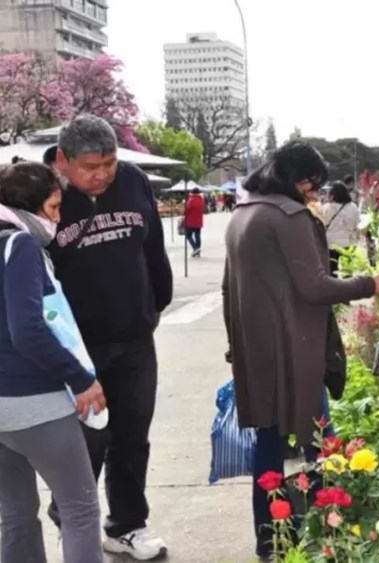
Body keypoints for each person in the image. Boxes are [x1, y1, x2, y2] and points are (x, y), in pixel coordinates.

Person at [222, 142, 379, 560]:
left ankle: (272, 541)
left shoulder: (243, 213)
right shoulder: (290, 216)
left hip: (258, 350)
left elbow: (229, 289)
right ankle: (328, 533)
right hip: (295, 350)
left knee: (269, 447)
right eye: (310, 184)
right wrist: (373, 283)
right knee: (322, 444)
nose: (313, 193)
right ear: (296, 180)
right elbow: (315, 286)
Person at [48, 114, 173, 560]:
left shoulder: (135, 182)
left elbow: (153, 246)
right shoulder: (44, 192)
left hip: (136, 336)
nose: (101, 174)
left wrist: (158, 302)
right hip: (78, 346)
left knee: (132, 436)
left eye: (109, 163)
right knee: (85, 443)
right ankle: (73, 526)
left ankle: (126, 526)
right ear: (63, 160)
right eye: (89, 166)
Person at [0, 162, 106, 563]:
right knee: (80, 509)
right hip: (33, 399)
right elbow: (26, 330)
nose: (58, 219)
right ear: (29, 205)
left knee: (15, 514)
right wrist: (80, 379)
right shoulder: (21, 246)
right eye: (54, 207)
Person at [322, 181, 361, 275]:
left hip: (330, 245)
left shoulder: (326, 208)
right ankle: (349, 288)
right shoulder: (353, 207)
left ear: (333, 194)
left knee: (332, 272)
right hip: (348, 244)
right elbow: (357, 224)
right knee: (348, 272)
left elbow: (322, 225)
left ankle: (334, 289)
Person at [183, 187, 206, 257]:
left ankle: (195, 248)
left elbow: (186, 211)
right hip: (199, 221)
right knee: (197, 236)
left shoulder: (191, 200)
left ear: (192, 193)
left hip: (190, 221)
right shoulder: (201, 200)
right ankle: (198, 250)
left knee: (188, 235)